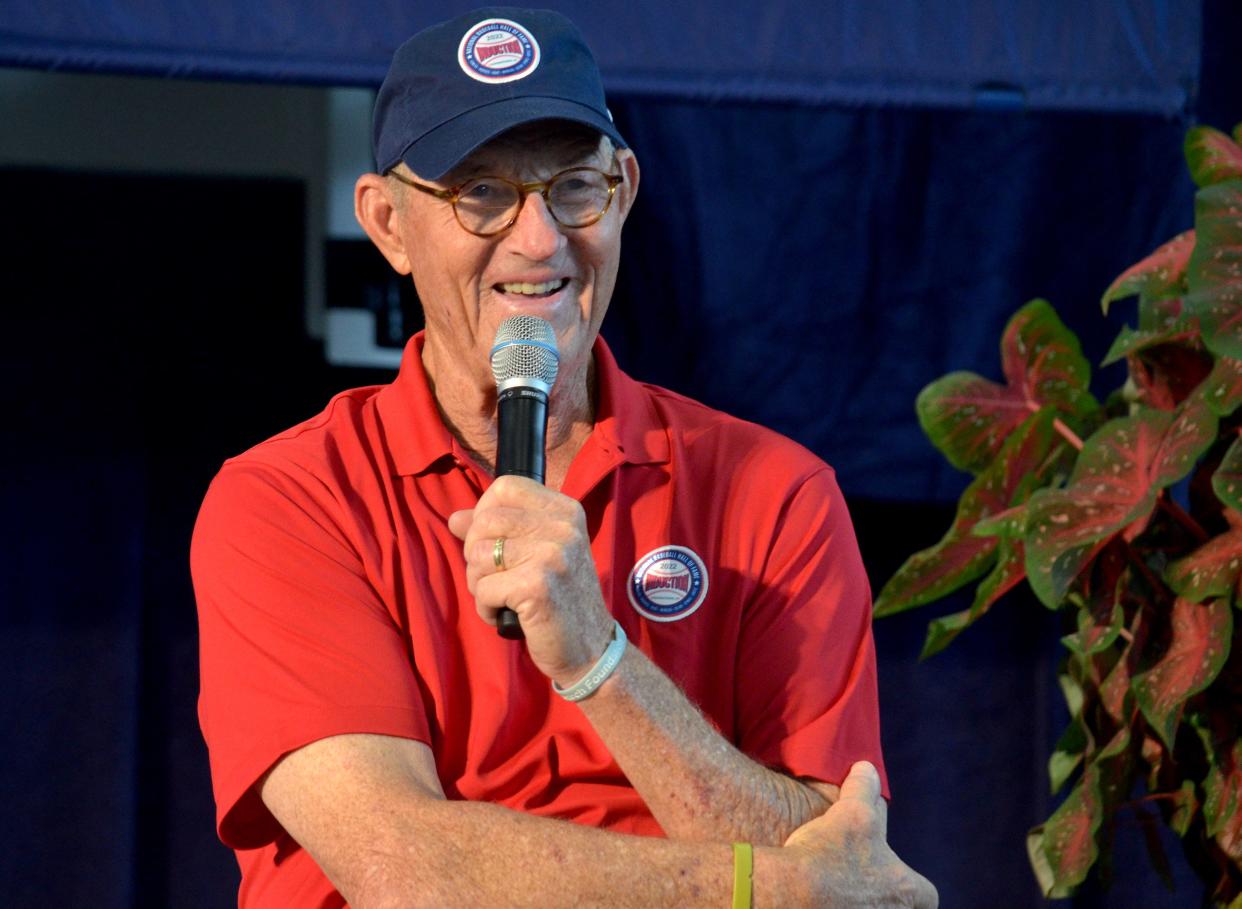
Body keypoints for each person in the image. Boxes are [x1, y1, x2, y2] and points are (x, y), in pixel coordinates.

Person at [192, 7, 938, 907]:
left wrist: (600, 661)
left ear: (623, 190)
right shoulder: (288, 501)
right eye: (481, 193)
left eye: (573, 187)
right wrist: (761, 888)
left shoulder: (774, 493)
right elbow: (405, 870)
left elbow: (841, 852)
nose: (540, 240)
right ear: (388, 223)